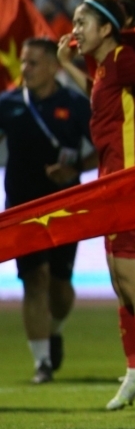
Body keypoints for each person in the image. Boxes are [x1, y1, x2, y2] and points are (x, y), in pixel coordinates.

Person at [60, 0, 135, 414]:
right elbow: (102, 95)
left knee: (134, 281)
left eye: (82, 22)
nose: (75, 30)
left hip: (133, 182)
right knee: (119, 280)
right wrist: (66, 65)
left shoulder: (123, 59)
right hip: (112, 183)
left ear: (106, 28)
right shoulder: (103, 69)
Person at [0, 38, 92, 383]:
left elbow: (105, 146)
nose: (25, 69)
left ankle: (53, 332)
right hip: (22, 207)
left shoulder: (75, 104)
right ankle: (42, 363)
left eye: (33, 63)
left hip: (65, 206)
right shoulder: (8, 103)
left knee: (61, 288)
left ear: (54, 66)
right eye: (24, 62)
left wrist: (75, 169)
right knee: (34, 280)